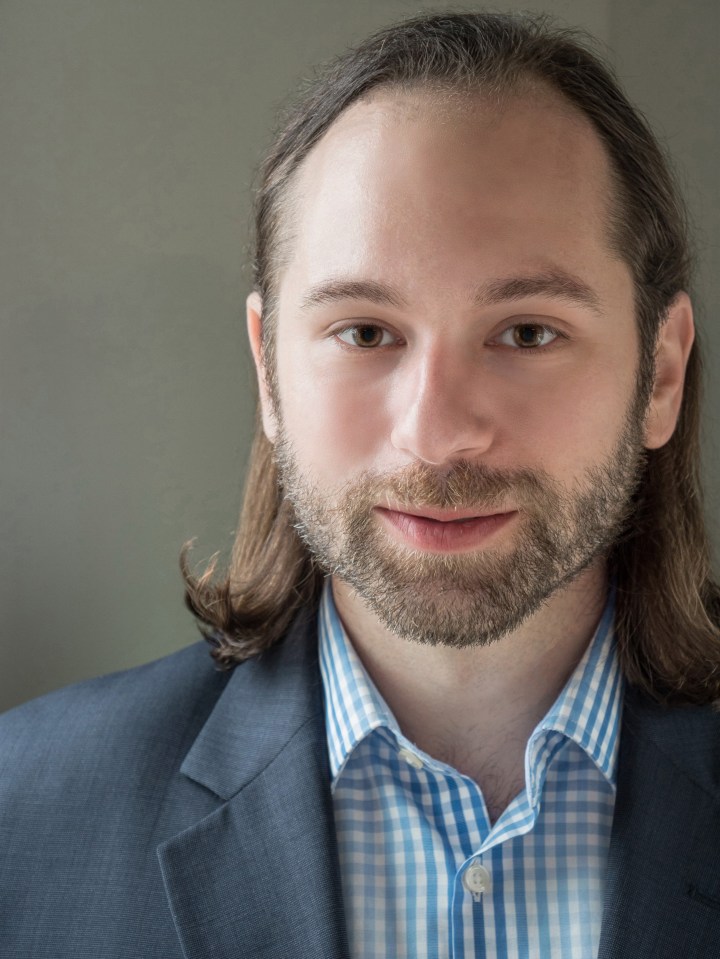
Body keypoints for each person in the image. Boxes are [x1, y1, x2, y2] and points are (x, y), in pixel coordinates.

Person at [1, 10, 719, 958]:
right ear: (268, 373)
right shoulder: (22, 816)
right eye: (367, 332)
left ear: (660, 374)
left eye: (528, 332)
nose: (436, 434)